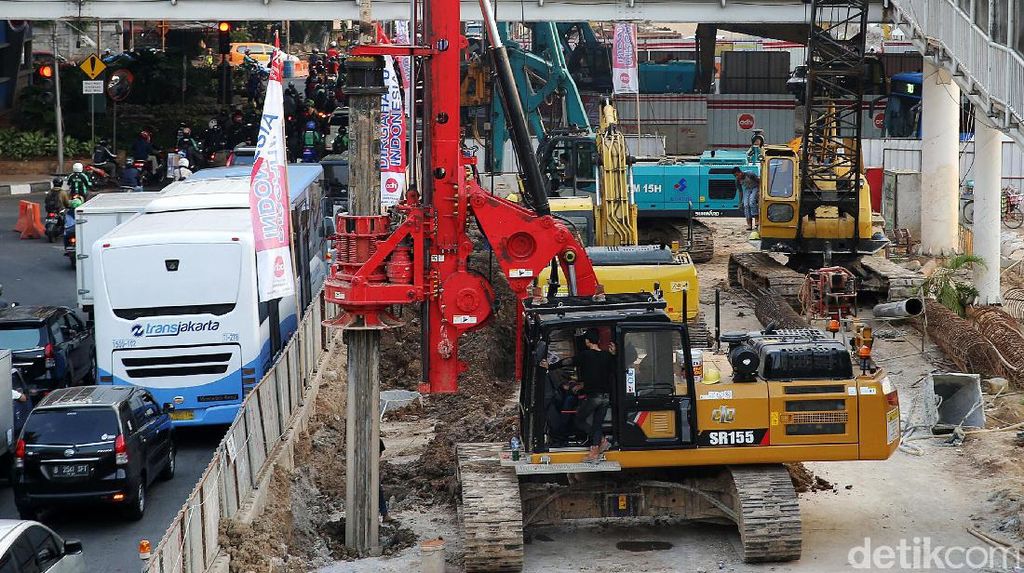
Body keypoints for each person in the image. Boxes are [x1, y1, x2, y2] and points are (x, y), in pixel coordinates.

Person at [542, 328, 615, 462]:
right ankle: (598, 448)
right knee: (597, 424)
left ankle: (600, 442)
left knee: (579, 419)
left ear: (587, 341)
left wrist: (550, 366)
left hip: (594, 397)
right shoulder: (607, 356)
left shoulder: (585, 355)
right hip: (606, 397)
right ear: (598, 341)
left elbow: (568, 361)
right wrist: (614, 354)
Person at [733, 166, 761, 231]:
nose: (737, 177)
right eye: (735, 176)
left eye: (737, 175)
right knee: (746, 205)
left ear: (740, 172)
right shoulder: (737, 180)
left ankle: (757, 219)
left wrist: (760, 191)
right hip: (747, 189)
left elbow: (759, 182)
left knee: (752, 201)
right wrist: (740, 202)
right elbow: (740, 191)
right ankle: (749, 224)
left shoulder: (750, 174)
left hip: (755, 187)